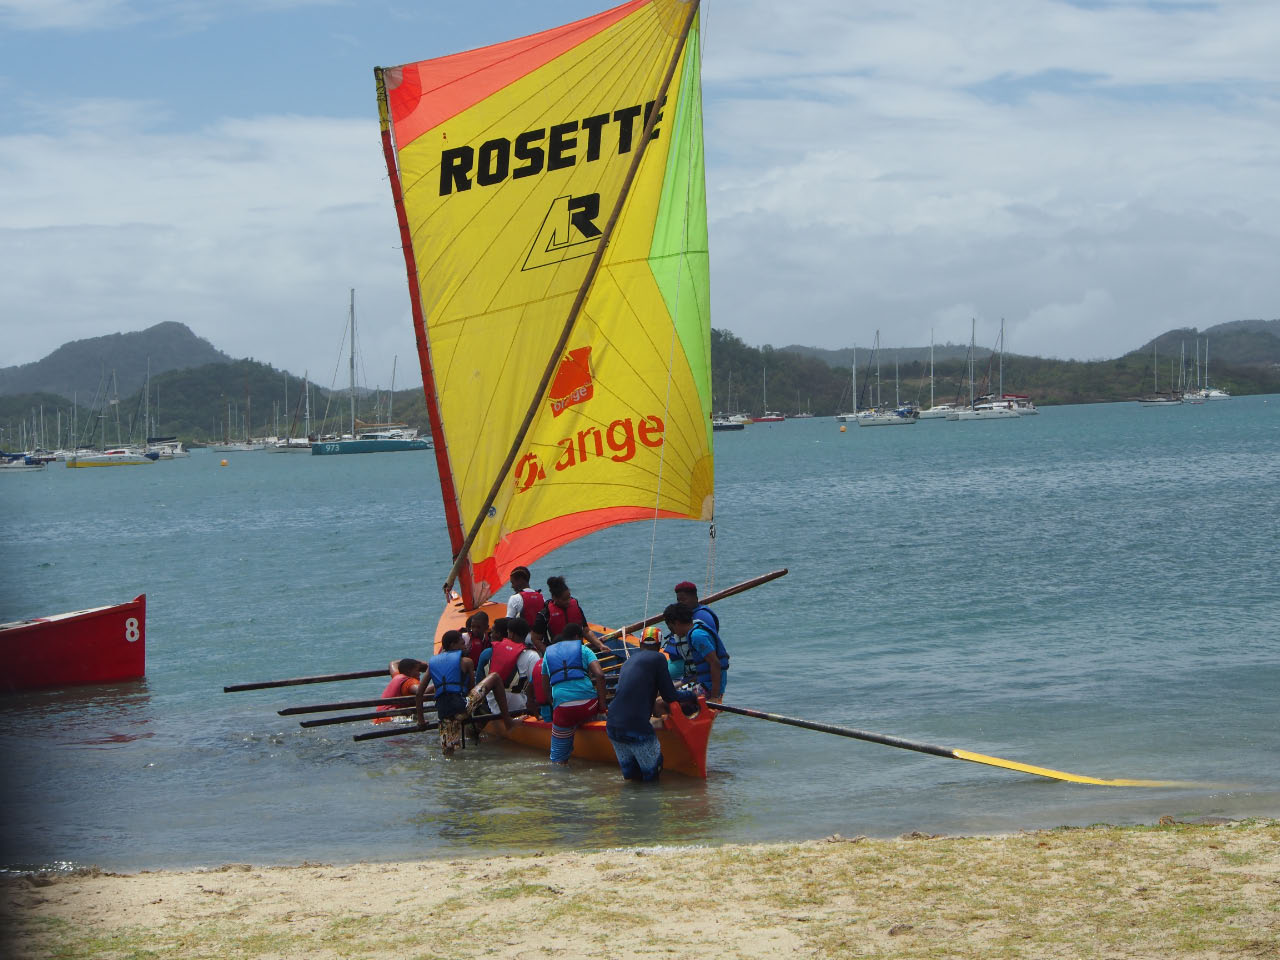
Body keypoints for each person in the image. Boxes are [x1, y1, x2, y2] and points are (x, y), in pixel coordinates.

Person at [605, 630, 698, 781]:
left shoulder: (628, 662)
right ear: (659, 645)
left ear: (641, 644)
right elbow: (670, 695)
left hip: (612, 725)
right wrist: (693, 695)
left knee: (631, 777)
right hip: (635, 726)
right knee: (651, 774)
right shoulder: (658, 658)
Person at [541, 622, 609, 764]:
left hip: (563, 709)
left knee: (557, 761)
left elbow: (545, 686)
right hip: (588, 706)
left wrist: (555, 704)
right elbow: (600, 676)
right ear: (578, 638)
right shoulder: (584, 650)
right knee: (601, 713)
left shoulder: (548, 653)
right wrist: (602, 707)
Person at [417, 630, 476, 756]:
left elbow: (419, 693)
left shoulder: (432, 664)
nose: (465, 646)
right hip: (463, 708)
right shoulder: (467, 662)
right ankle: (507, 720)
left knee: (449, 753)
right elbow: (472, 689)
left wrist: (421, 720)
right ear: (453, 645)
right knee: (494, 677)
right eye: (462, 643)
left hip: (443, 712)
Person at [661, 602, 729, 699]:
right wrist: (679, 684)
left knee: (660, 701)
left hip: (708, 688)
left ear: (676, 623)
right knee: (663, 691)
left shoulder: (696, 636)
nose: (673, 633)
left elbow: (715, 663)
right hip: (703, 682)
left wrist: (714, 697)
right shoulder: (695, 625)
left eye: (671, 628)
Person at [475, 617, 538, 717]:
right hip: (518, 706)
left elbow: (479, 682)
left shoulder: (487, 653)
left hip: (494, 708)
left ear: (511, 634)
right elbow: (536, 685)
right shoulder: (532, 656)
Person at [530, 576, 600, 651]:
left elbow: (586, 631)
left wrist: (600, 645)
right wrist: (548, 654)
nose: (568, 601)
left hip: (578, 650)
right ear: (554, 598)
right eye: (564, 599)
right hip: (558, 652)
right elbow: (535, 638)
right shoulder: (544, 615)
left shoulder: (575, 606)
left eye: (569, 597)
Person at [373, 658, 425, 724]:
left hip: (378, 718)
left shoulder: (398, 676)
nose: (419, 673)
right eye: (417, 670)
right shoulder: (410, 682)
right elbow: (422, 691)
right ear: (409, 671)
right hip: (390, 719)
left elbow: (393, 663)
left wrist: (419, 663)